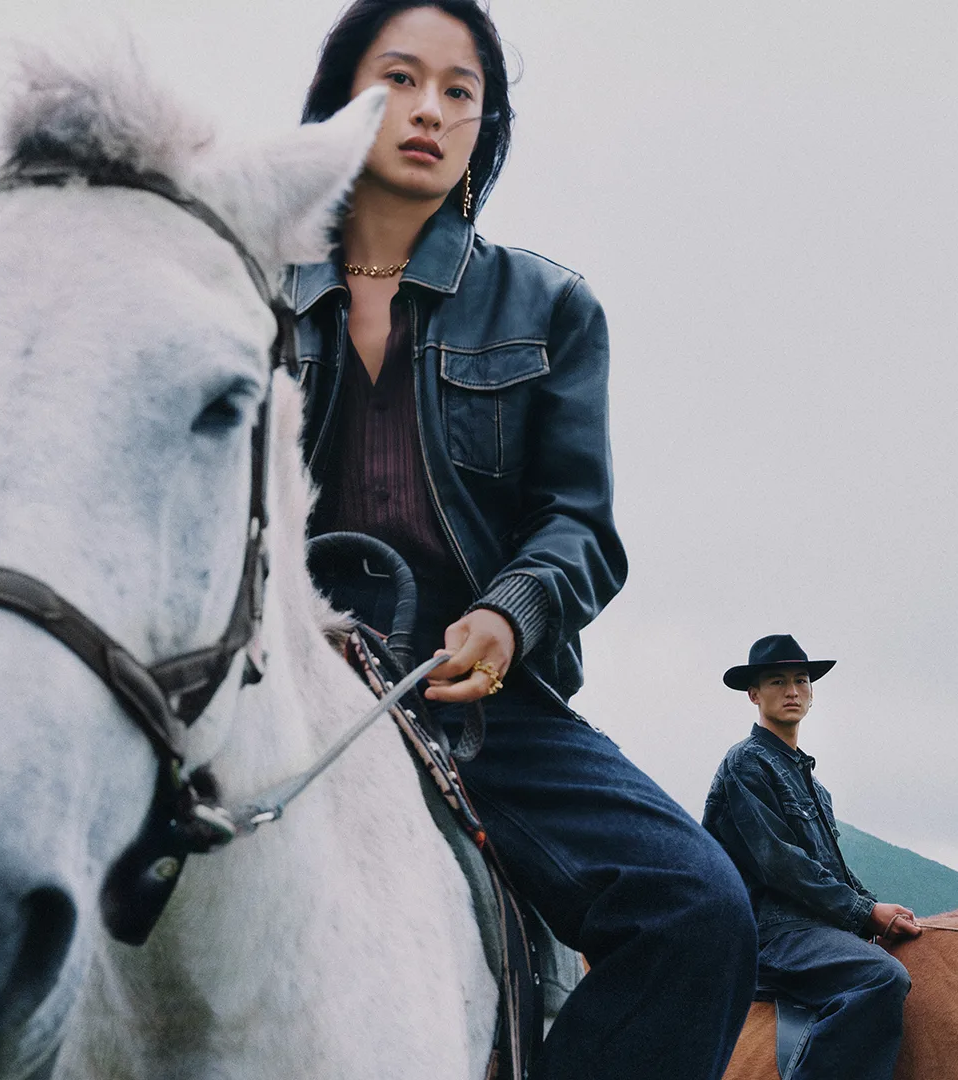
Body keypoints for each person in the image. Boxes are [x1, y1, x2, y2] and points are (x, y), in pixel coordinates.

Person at [288, 3, 757, 1077]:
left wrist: (511, 614)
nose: (430, 109)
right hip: (265, 675)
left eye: (460, 92)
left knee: (700, 907)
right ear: (339, 103)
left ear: (482, 128)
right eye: (400, 78)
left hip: (467, 702)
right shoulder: (245, 291)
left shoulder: (549, 305)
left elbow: (579, 522)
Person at [703, 635, 919, 1080]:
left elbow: (829, 867)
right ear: (753, 694)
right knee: (884, 978)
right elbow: (781, 863)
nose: (792, 691)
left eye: (801, 681)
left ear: (812, 693)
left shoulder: (815, 786)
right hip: (770, 933)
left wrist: (876, 908)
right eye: (777, 681)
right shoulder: (746, 764)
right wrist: (865, 913)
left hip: (815, 929)